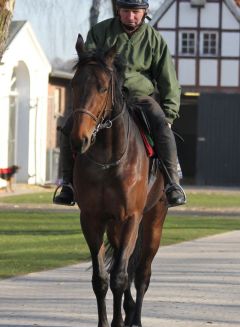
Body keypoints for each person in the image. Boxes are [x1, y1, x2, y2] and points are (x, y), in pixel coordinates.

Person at [53, 0, 186, 207]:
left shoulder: (155, 40)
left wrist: (169, 114)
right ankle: (68, 184)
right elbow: (88, 67)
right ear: (119, 11)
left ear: (144, 12)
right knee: (70, 126)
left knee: (162, 126)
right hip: (104, 98)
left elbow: (169, 80)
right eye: (126, 11)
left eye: (135, 12)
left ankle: (172, 184)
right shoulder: (100, 32)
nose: (131, 17)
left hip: (140, 98)